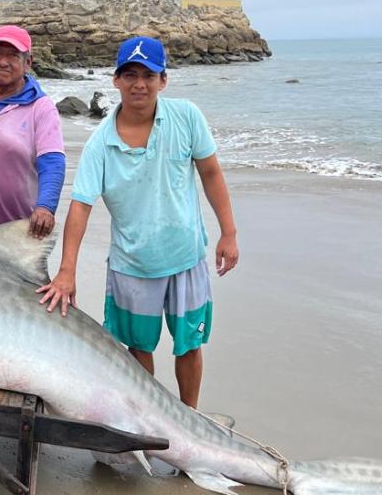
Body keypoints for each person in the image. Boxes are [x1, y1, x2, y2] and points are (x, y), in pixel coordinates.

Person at [37, 36, 239, 409]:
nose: (139, 84)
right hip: (132, 266)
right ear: (116, 80)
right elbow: (81, 206)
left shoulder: (187, 117)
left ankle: (189, 416)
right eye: (130, 74)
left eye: (149, 75)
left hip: (186, 259)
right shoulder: (101, 143)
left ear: (164, 80)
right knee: (138, 348)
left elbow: (210, 173)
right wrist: (66, 271)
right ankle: (150, 419)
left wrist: (229, 232)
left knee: (189, 345)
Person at [0, 25, 65, 238]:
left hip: (20, 231)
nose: (3, 61)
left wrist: (46, 207)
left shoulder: (42, 107)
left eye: (12, 55)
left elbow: (52, 162)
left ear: (28, 62)